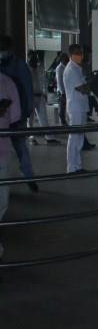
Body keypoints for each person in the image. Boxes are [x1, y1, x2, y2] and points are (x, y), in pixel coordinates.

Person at [0, 35, 37, 192]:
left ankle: (29, 176)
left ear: (10, 48)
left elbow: (27, 90)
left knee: (20, 146)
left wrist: (27, 111)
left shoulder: (20, 66)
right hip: (3, 117)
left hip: (16, 114)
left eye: (3, 48)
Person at [0, 72, 21, 259]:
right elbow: (14, 116)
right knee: (1, 200)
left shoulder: (7, 82)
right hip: (2, 151)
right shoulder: (6, 82)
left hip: (3, 152)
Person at [63, 44, 90, 174]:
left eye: (81, 53)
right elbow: (82, 89)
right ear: (71, 55)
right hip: (75, 108)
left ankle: (77, 166)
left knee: (79, 138)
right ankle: (72, 167)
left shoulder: (77, 68)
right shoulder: (71, 70)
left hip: (80, 106)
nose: (80, 55)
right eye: (77, 53)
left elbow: (84, 87)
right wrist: (90, 85)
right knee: (74, 138)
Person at [27, 50, 57, 144]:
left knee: (43, 117)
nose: (34, 60)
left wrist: (45, 94)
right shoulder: (26, 69)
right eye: (32, 57)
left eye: (35, 58)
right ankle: (32, 137)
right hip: (30, 97)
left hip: (40, 96)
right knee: (30, 119)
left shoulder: (40, 69)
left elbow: (44, 82)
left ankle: (48, 137)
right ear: (28, 58)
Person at [55, 52, 69, 127]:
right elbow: (59, 81)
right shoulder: (59, 68)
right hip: (62, 91)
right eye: (65, 58)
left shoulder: (66, 67)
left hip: (66, 90)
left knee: (66, 107)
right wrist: (62, 92)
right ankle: (63, 123)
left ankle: (65, 122)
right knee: (62, 108)